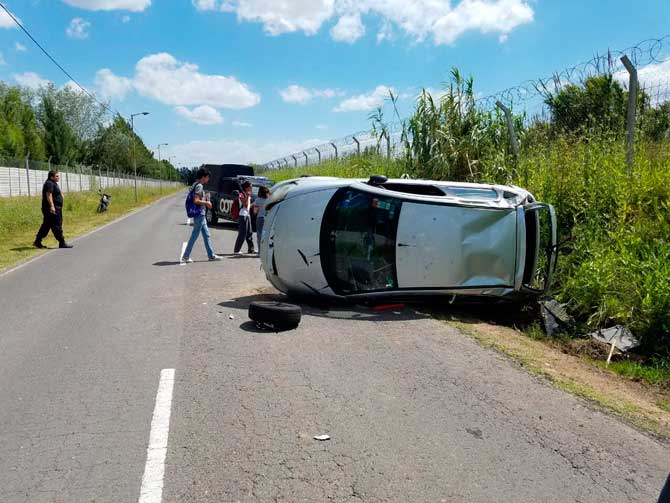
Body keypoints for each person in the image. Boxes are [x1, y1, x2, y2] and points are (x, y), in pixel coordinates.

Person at [181, 167, 222, 263]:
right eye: (208, 177)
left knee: (207, 235)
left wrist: (205, 197)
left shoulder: (195, 184)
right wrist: (207, 203)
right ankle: (186, 256)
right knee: (195, 235)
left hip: (201, 215)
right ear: (203, 177)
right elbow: (196, 200)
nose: (208, 179)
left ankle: (211, 255)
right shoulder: (199, 186)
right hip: (199, 214)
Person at [34, 170, 73, 249]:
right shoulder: (49, 183)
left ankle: (37, 242)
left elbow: (55, 192)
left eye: (58, 176)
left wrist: (61, 195)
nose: (59, 177)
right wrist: (52, 206)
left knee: (46, 225)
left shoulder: (53, 183)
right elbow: (48, 195)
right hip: (52, 209)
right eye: (57, 176)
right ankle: (62, 242)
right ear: (51, 177)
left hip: (54, 208)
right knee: (56, 225)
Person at [233, 181, 255, 255]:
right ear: (247, 187)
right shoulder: (242, 195)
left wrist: (254, 204)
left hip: (247, 215)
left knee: (249, 233)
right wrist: (248, 196)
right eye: (251, 186)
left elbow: (248, 206)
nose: (252, 188)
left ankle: (251, 249)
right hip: (242, 215)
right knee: (242, 233)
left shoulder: (247, 194)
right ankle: (237, 250)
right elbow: (245, 205)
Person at [253, 186, 270, 251]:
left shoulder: (257, 200)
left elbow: (255, 212)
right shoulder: (269, 200)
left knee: (259, 235)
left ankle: (260, 251)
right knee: (267, 235)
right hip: (268, 218)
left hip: (260, 218)